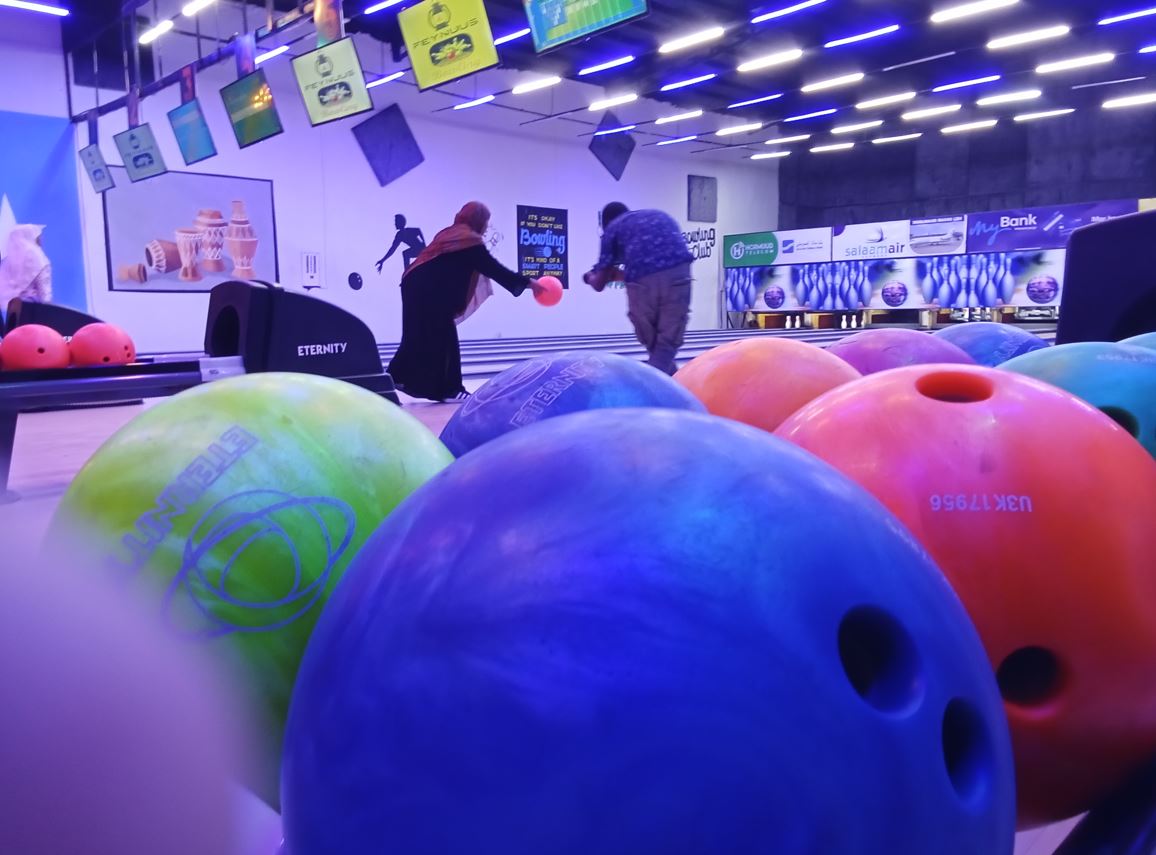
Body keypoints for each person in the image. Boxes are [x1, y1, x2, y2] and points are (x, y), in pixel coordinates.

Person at [388, 202, 544, 402]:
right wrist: (530, 284)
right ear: (478, 220)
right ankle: (452, 388)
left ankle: (395, 377)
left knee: (416, 334)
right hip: (428, 289)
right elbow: (494, 269)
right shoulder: (469, 241)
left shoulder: (450, 234)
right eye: (486, 221)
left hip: (413, 283)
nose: (487, 226)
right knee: (445, 336)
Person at [584, 203, 694, 375]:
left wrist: (589, 277)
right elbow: (655, 270)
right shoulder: (658, 214)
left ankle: (651, 391)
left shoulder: (612, 228)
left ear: (605, 222)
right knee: (666, 345)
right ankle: (673, 382)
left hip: (642, 281)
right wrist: (616, 274)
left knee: (652, 341)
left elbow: (599, 284)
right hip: (679, 274)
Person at [0, 224, 52, 311]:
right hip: (33, 312)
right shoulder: (40, 259)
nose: (40, 240)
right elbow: (45, 296)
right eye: (38, 236)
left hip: (9, 313)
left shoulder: (7, 262)